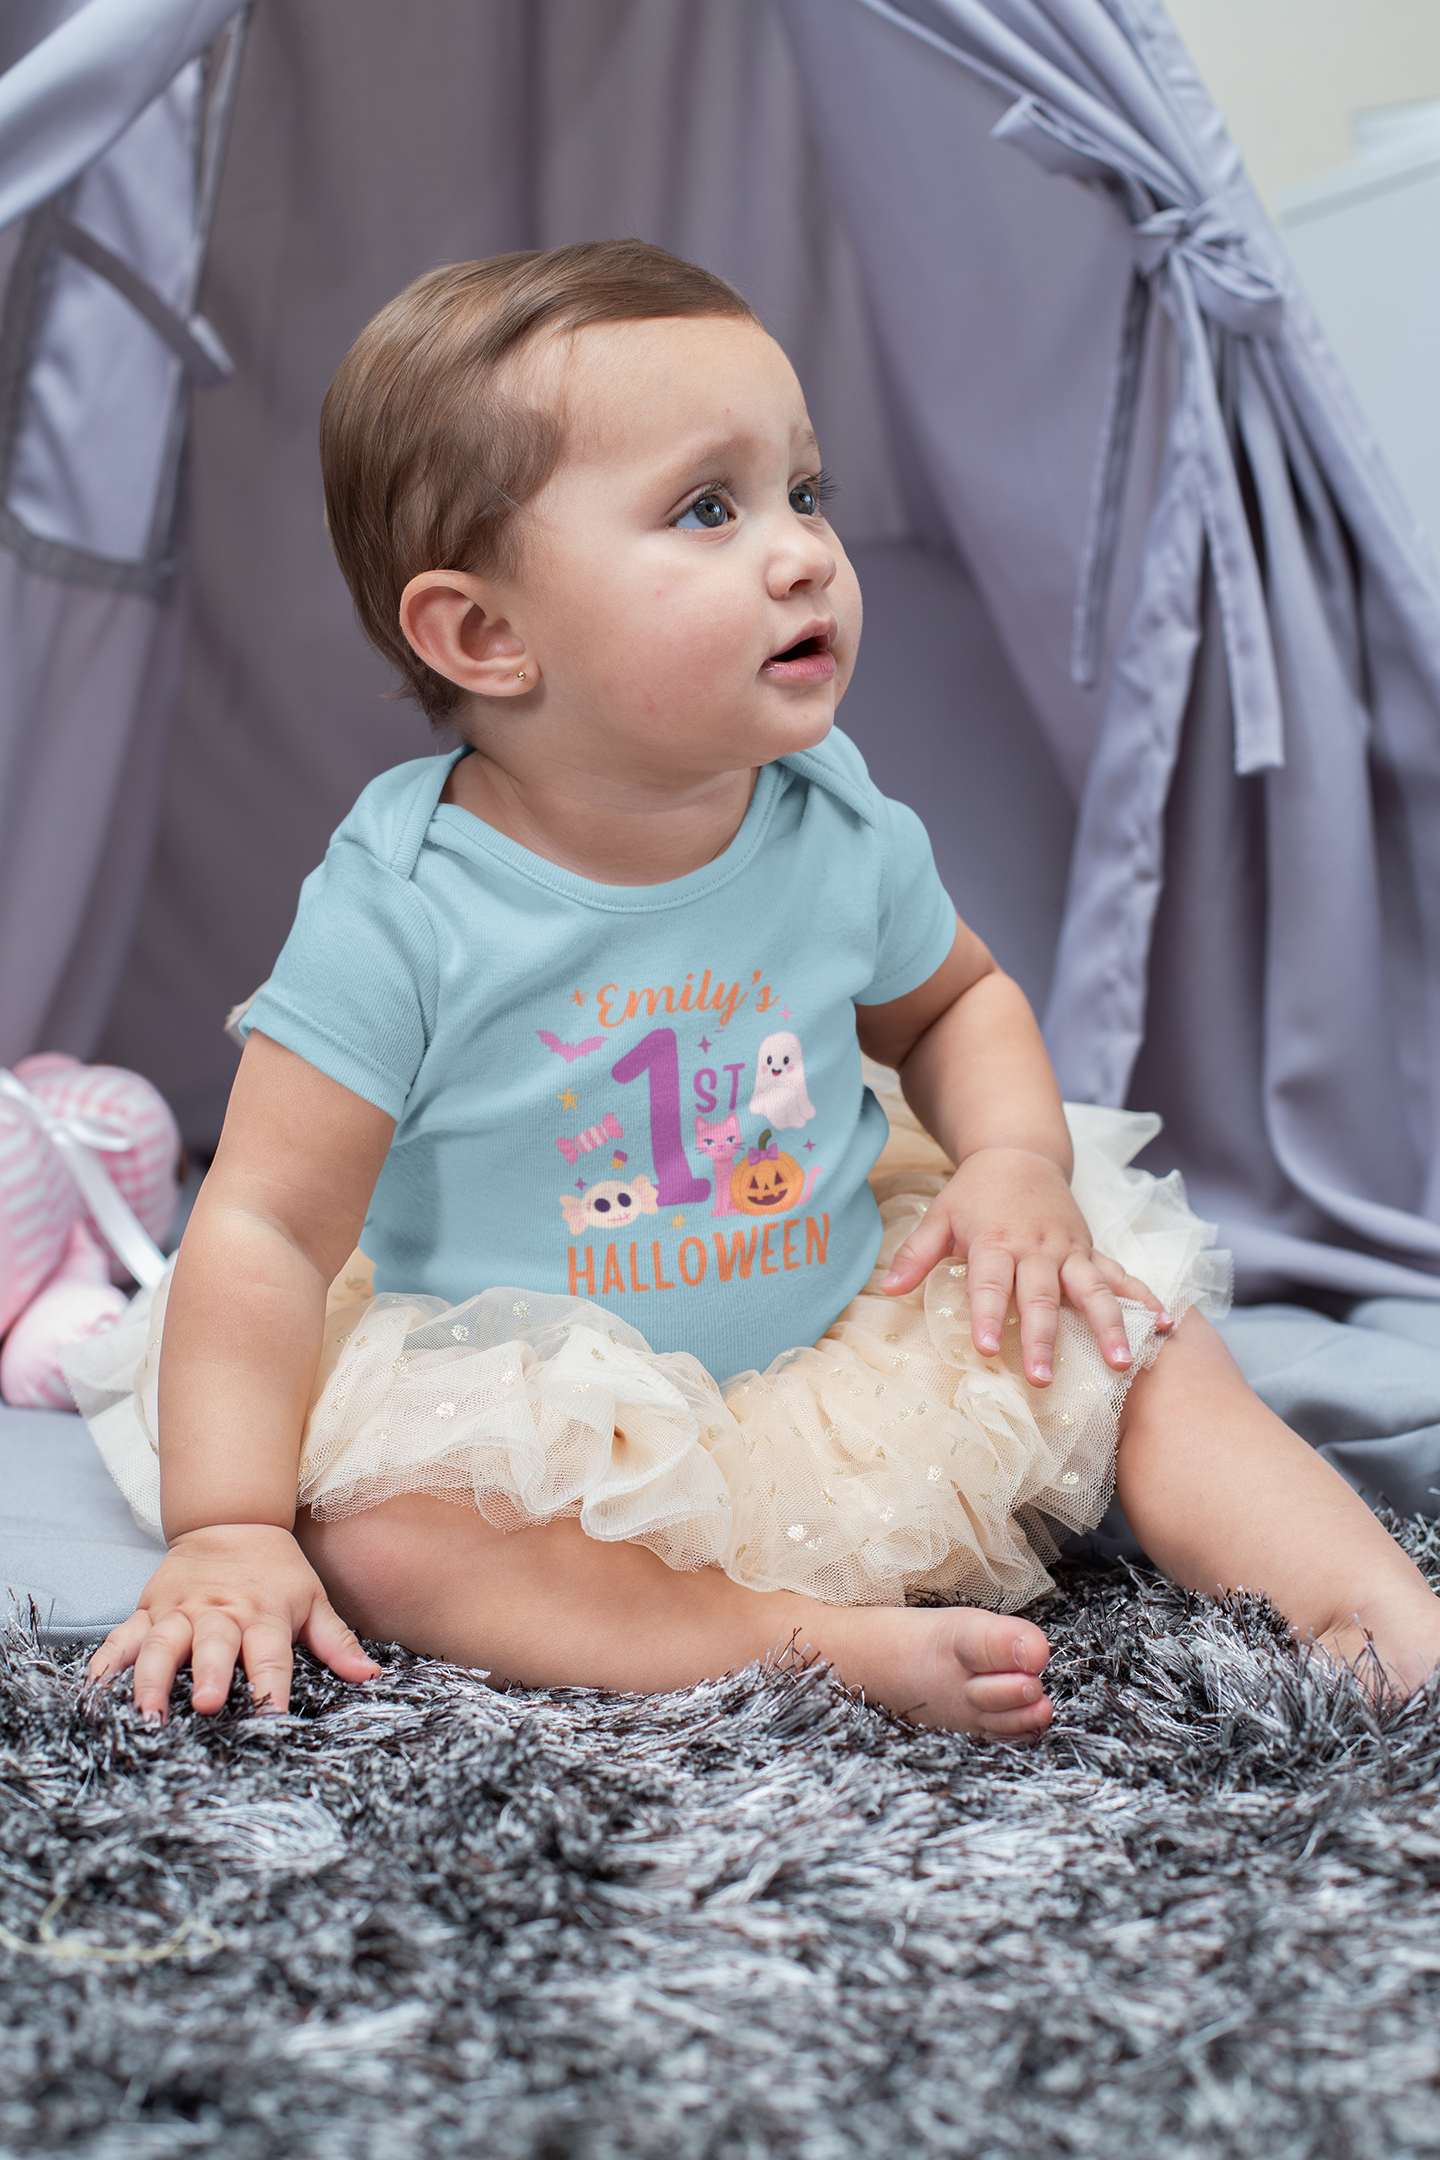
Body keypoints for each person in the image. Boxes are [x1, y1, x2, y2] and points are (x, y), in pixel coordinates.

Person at [78, 241, 1440, 1738]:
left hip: (846, 1319)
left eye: (804, 493)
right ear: (486, 634)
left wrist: (1010, 1164)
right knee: (389, 1535)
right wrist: (227, 1526)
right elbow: (264, 1225)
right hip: (555, 1411)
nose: (801, 553)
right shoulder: (401, 905)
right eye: (707, 509)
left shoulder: (830, 814)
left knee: (1126, 1338)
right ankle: (793, 1639)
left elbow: (955, 1003)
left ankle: (1374, 1617)